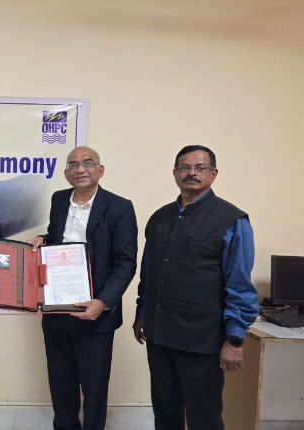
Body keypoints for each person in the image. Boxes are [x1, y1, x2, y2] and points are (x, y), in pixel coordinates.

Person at [132, 145, 258, 430]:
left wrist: (235, 339)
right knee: (165, 413)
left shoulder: (231, 220)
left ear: (213, 174)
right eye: (185, 167)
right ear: (175, 173)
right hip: (159, 335)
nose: (192, 173)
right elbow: (149, 273)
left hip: (202, 340)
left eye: (200, 168)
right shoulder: (160, 218)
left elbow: (239, 283)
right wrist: (142, 313)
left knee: (204, 417)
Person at [27, 146, 137, 430]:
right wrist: (43, 239)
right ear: (66, 173)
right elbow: (57, 237)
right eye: (73, 164)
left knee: (94, 392)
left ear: (100, 170)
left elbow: (125, 262)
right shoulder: (59, 200)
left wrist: (103, 302)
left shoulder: (119, 207)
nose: (80, 169)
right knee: (61, 387)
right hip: (56, 312)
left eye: (88, 163)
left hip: (95, 314)